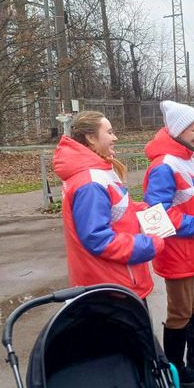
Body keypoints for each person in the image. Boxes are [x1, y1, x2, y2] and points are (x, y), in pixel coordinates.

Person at [143, 101, 194, 388]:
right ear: (178, 130)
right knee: (180, 311)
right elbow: (156, 216)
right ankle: (176, 369)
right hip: (178, 254)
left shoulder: (187, 160)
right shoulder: (163, 166)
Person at [52, 110, 164, 299]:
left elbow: (114, 210)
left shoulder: (99, 172)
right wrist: (148, 245)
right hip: (111, 289)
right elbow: (98, 239)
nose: (115, 138)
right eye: (110, 132)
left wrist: (143, 210)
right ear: (91, 138)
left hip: (116, 284)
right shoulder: (91, 183)